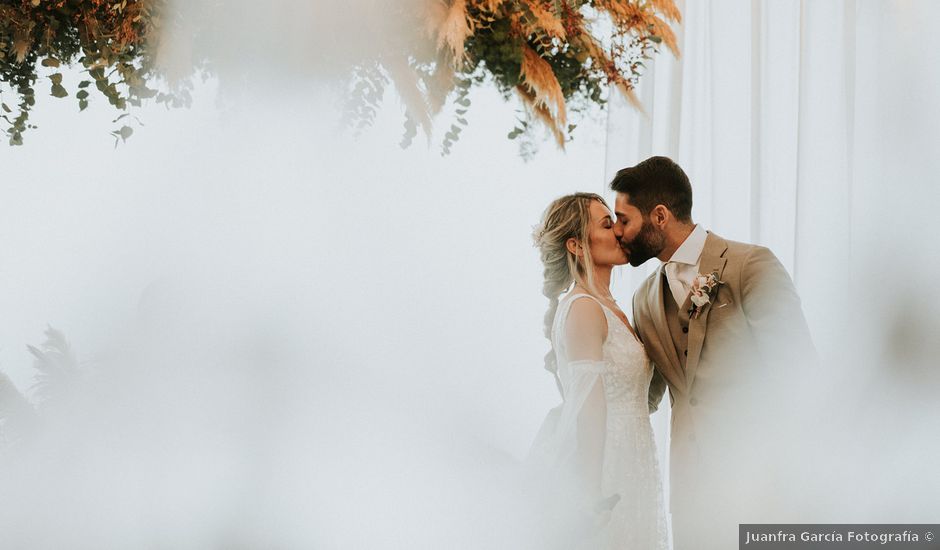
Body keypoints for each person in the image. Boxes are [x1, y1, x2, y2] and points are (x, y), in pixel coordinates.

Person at [612, 156, 816, 550]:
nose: (619, 232)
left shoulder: (750, 266)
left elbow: (798, 374)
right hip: (692, 496)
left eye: (624, 219)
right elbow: (647, 392)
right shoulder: (642, 301)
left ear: (659, 216)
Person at [528, 192, 668, 549]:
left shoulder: (612, 308)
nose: (620, 231)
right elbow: (589, 408)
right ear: (576, 245)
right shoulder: (584, 309)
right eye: (607, 224)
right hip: (607, 464)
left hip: (633, 457)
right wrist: (590, 494)